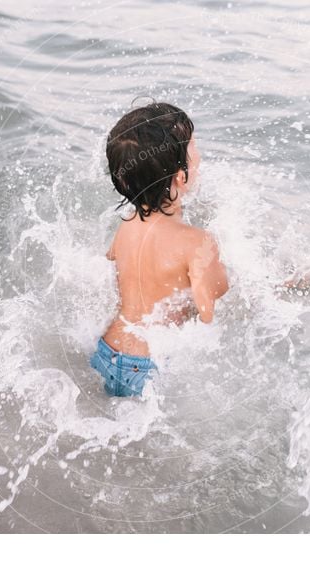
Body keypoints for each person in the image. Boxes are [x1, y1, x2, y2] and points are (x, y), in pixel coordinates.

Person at [89, 102, 229, 397]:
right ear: (181, 177)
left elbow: (112, 268)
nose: (199, 155)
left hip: (106, 349)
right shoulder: (198, 242)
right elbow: (207, 311)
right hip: (146, 364)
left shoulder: (126, 225)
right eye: (193, 148)